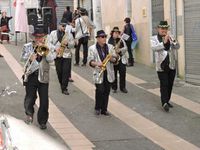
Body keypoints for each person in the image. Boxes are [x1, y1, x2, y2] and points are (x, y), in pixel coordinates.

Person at [21, 27, 57, 129]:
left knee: (44, 100)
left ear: (44, 37)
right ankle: (29, 114)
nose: (39, 39)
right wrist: (30, 57)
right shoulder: (27, 46)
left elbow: (51, 60)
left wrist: (46, 49)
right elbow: (22, 59)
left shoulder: (48, 46)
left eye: (41, 37)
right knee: (30, 97)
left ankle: (42, 121)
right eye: (37, 37)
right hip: (31, 75)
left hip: (43, 76)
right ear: (34, 37)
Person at [151, 21, 180, 112]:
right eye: (162, 28)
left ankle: (167, 100)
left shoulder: (171, 37)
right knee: (164, 84)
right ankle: (164, 103)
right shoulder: (154, 38)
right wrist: (164, 42)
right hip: (161, 66)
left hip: (171, 65)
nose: (164, 30)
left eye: (166, 29)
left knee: (170, 84)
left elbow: (177, 47)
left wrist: (173, 41)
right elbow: (154, 48)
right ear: (158, 29)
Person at [88, 30, 118, 116]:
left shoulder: (110, 47)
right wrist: (97, 63)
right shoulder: (92, 48)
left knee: (107, 91)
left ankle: (104, 109)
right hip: (98, 72)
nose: (104, 38)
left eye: (105, 36)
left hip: (108, 72)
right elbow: (90, 61)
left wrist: (113, 59)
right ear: (97, 38)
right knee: (100, 90)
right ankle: (97, 108)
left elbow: (116, 59)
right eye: (102, 37)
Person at [48, 22, 75, 95]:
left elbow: (73, 45)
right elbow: (49, 43)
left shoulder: (68, 34)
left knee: (66, 72)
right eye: (62, 26)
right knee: (59, 71)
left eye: (65, 26)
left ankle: (64, 88)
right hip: (57, 55)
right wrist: (55, 48)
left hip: (67, 55)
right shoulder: (53, 33)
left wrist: (68, 44)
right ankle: (61, 83)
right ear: (58, 25)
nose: (64, 27)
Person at [108, 27, 128, 93]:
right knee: (114, 74)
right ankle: (114, 87)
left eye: (118, 33)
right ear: (112, 33)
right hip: (113, 59)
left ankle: (123, 87)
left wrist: (120, 50)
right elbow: (108, 51)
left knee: (122, 73)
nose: (117, 34)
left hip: (121, 59)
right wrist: (114, 52)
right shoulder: (109, 41)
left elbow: (125, 48)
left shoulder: (121, 40)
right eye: (115, 33)